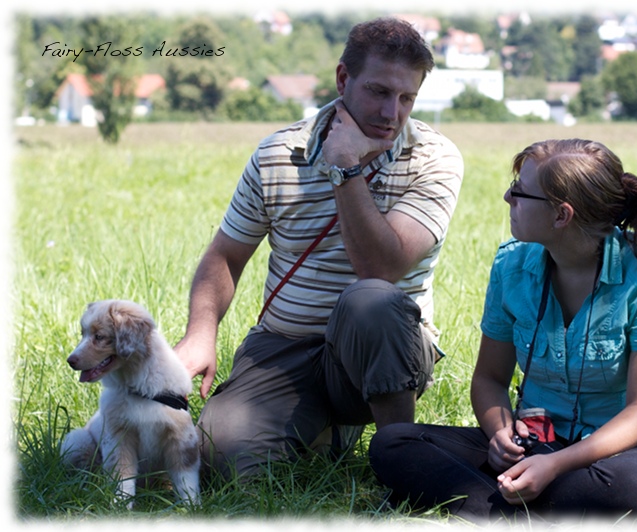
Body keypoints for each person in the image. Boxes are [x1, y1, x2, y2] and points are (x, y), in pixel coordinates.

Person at [174, 17, 463, 478]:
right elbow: (226, 254)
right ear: (343, 78)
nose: (393, 112)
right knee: (219, 457)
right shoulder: (277, 153)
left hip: (379, 352)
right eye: (379, 91)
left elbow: (379, 268)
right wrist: (200, 332)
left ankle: (401, 459)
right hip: (284, 345)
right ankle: (323, 428)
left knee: (371, 300)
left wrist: (345, 167)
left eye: (406, 97)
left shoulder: (433, 157)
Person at [368, 139, 637, 524]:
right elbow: (489, 378)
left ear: (561, 215)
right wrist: (499, 434)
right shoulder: (512, 265)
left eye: (520, 192)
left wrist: (555, 465)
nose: (507, 197)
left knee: (636, 492)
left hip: (626, 453)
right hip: (535, 442)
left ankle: (493, 509)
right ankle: (534, 510)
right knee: (394, 443)